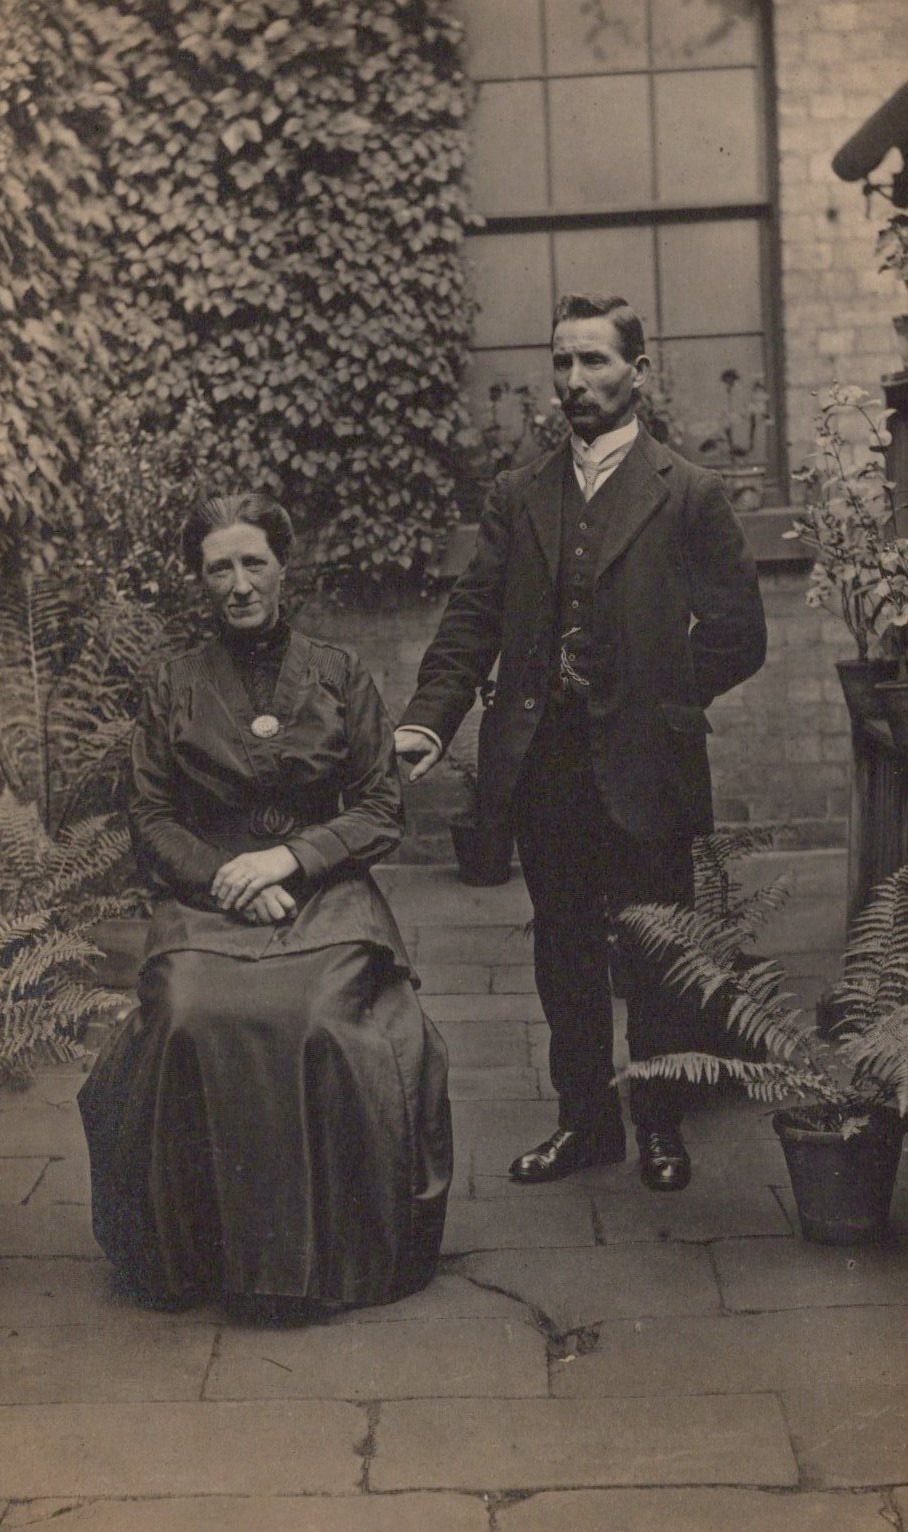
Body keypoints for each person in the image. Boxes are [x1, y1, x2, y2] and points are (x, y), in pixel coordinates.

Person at [395, 293, 767, 1193]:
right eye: (562, 362)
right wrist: (427, 717)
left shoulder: (691, 493)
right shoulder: (519, 493)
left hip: (649, 762)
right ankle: (584, 1124)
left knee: (655, 951)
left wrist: (658, 693)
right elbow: (473, 615)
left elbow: (737, 633)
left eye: (594, 362)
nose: (574, 381)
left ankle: (660, 1122)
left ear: (636, 373)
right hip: (543, 763)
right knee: (561, 946)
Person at [78, 492, 452, 1317]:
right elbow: (149, 815)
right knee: (182, 1014)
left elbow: (381, 807)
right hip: (206, 891)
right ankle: (198, 1260)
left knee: (320, 1019)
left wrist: (292, 856)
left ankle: (321, 1263)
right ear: (199, 581)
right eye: (221, 568)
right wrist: (225, 878)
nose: (239, 584)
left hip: (324, 893)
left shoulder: (340, 674)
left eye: (254, 563)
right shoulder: (170, 682)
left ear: (284, 568)